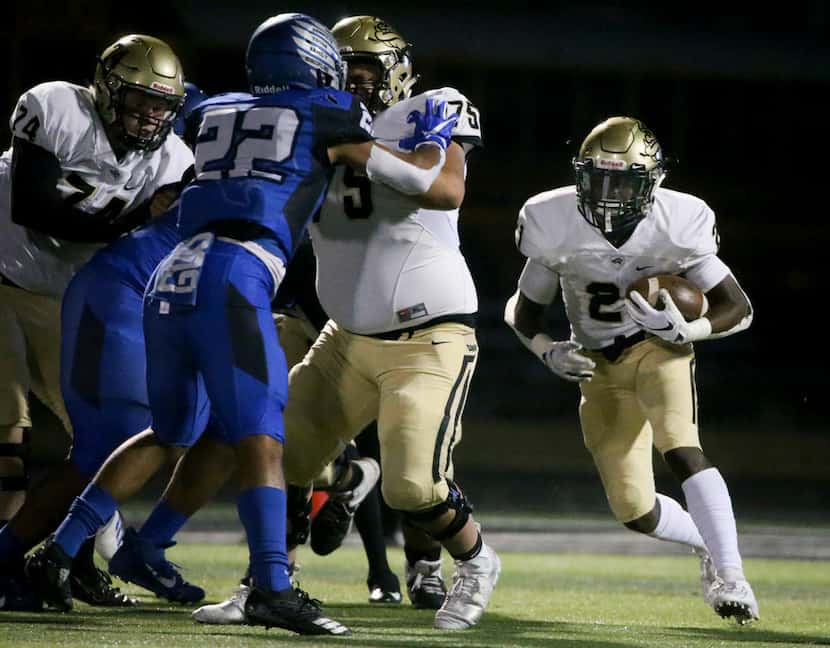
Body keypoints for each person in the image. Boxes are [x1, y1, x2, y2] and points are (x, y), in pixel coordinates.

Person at [24, 13, 456, 637]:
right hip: (237, 271)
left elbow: (191, 107)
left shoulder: (215, 109)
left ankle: (59, 552)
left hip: (172, 274)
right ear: (315, 65)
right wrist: (435, 141)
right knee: (260, 438)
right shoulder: (329, 109)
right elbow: (417, 177)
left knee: (168, 429)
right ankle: (273, 587)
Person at [278, 15, 500, 631]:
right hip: (343, 338)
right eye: (339, 67)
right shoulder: (307, 122)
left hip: (429, 334)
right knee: (276, 453)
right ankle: (268, 581)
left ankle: (477, 562)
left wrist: (356, 148)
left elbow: (446, 188)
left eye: (364, 67)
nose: (352, 79)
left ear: (396, 69)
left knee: (412, 489)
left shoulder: (432, 107)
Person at [503, 116, 759, 624]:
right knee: (635, 510)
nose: (608, 191)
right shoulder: (550, 218)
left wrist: (691, 331)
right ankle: (705, 547)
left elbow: (738, 307)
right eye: (597, 177)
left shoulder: (679, 220)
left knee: (681, 446)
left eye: (622, 179)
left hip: (656, 346)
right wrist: (546, 350)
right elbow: (522, 310)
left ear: (653, 181)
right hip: (595, 364)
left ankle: (732, 574)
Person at [0, 33, 193, 610]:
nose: (152, 115)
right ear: (107, 90)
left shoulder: (172, 159)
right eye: (140, 100)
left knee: (105, 439)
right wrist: (135, 217)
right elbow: (33, 209)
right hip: (2, 275)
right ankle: (6, 568)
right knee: (6, 429)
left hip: (67, 297)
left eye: (162, 104)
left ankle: (71, 560)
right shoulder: (57, 106)